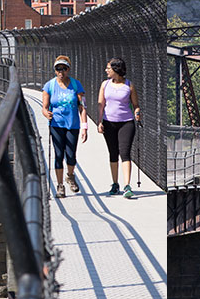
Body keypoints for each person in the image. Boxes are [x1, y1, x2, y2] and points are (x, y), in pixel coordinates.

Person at [42, 55, 88, 198]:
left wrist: (84, 126)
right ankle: (60, 185)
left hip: (72, 124)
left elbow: (82, 106)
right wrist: (46, 113)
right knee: (58, 155)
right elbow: (44, 107)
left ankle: (70, 175)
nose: (61, 71)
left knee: (71, 155)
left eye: (64, 68)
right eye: (58, 69)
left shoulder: (76, 85)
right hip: (56, 124)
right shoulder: (49, 86)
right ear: (55, 70)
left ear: (68, 69)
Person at [97, 57, 140, 198]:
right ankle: (115, 184)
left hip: (126, 122)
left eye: (108, 68)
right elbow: (101, 105)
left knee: (125, 152)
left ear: (116, 69)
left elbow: (136, 105)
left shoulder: (129, 85)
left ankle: (127, 186)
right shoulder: (105, 84)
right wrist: (99, 122)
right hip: (109, 122)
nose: (106, 70)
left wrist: (137, 112)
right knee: (113, 153)